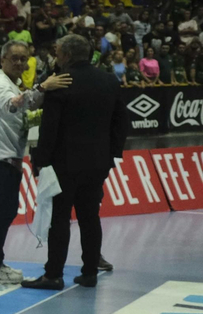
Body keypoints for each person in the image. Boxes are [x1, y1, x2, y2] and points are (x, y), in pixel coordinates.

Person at [22, 34, 127, 291]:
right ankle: (90, 272)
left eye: (58, 52)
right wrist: (112, 154)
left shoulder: (61, 82)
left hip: (64, 163)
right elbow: (121, 121)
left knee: (60, 218)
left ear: (67, 56)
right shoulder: (109, 80)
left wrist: (41, 161)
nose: (56, 57)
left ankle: (53, 274)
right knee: (90, 216)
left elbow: (50, 128)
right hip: (98, 162)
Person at [0, 43, 69, 284]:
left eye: (23, 59)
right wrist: (42, 87)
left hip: (9, 156)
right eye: (14, 58)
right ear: (3, 59)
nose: (19, 63)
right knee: (4, 211)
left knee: (5, 211)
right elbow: (12, 105)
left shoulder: (12, 84)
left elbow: (22, 118)